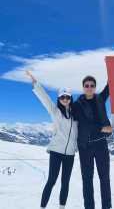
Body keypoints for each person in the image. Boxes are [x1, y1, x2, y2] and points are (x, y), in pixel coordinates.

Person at [26, 71, 78, 209]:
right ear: (59, 99)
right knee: (51, 181)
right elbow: (44, 98)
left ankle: (62, 207)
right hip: (56, 151)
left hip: (70, 154)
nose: (65, 99)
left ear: (71, 98)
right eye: (62, 97)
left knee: (65, 182)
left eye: (67, 97)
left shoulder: (76, 115)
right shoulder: (55, 112)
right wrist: (35, 83)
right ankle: (42, 207)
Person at [72, 75, 112, 209]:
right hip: (85, 146)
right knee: (87, 180)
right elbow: (84, 124)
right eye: (87, 85)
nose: (89, 88)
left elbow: (110, 86)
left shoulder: (100, 99)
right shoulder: (77, 105)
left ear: (95, 87)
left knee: (104, 178)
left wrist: (113, 69)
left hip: (101, 144)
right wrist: (102, 128)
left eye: (92, 85)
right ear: (83, 88)